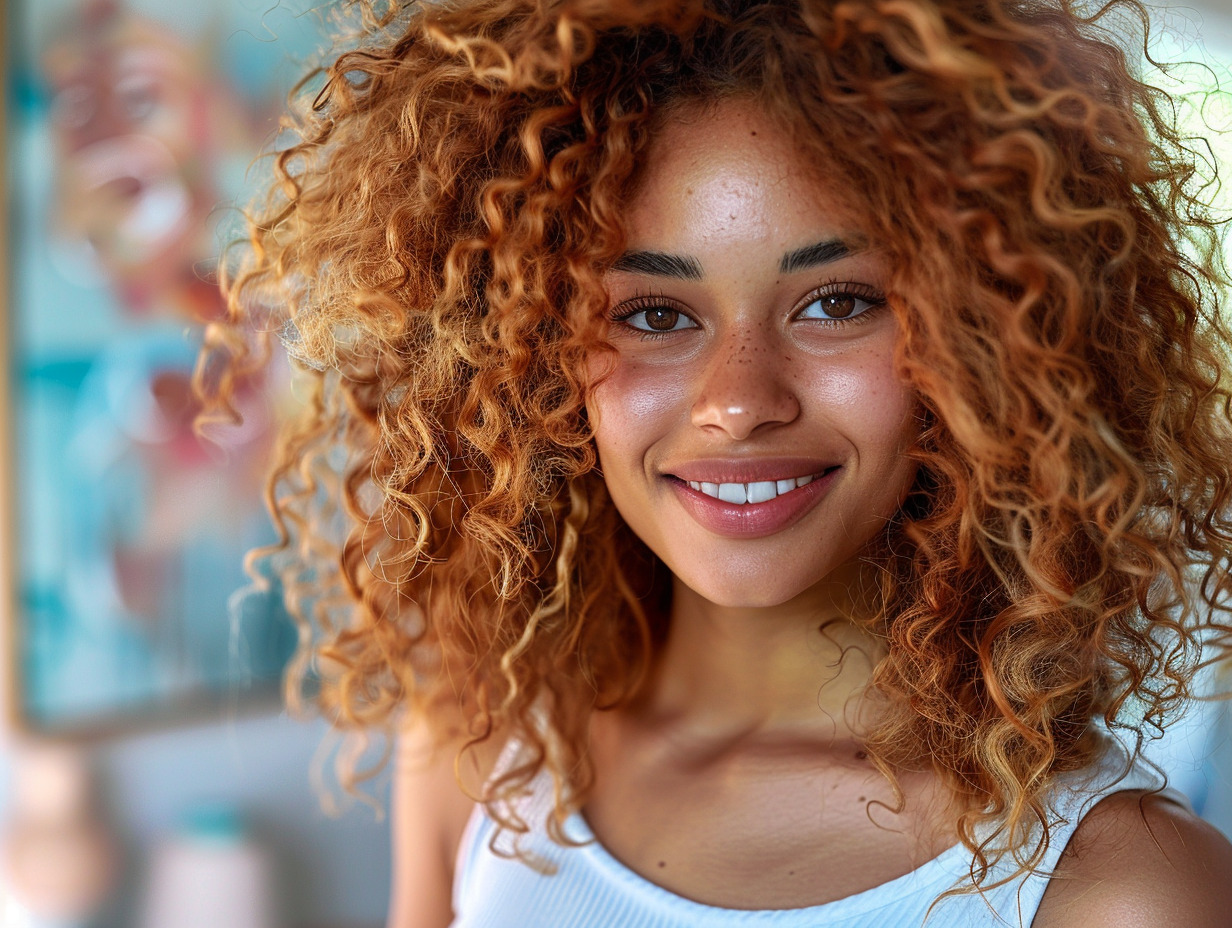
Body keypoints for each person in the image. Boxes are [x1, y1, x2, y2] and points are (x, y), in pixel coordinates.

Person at [203, 0, 1232, 924]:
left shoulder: (1119, 888)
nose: (738, 401)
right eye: (654, 314)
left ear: (986, 341)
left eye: (837, 301)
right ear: (533, 362)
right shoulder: (488, 754)